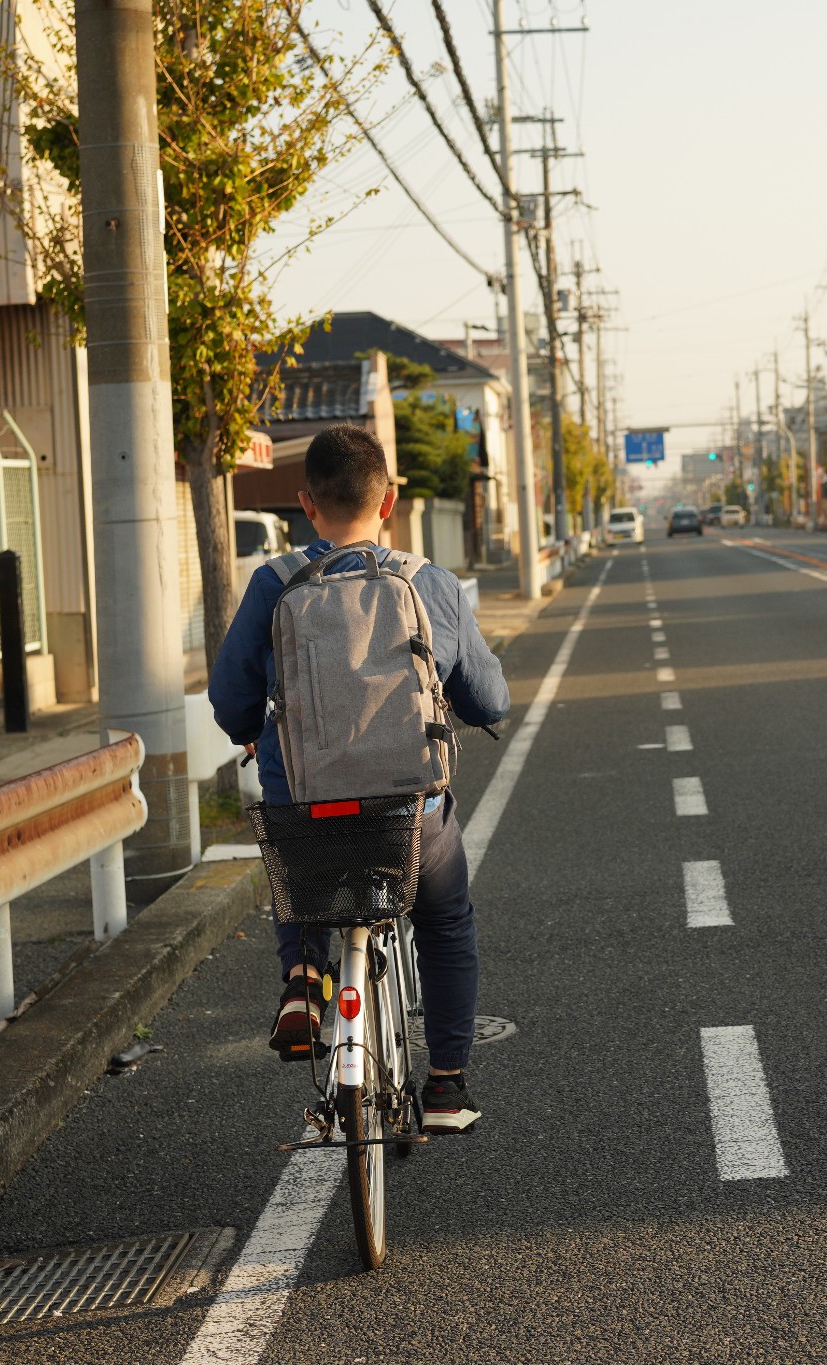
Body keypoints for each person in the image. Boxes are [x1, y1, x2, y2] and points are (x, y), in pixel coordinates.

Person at [211, 423, 509, 1132]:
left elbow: (230, 704)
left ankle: (302, 984)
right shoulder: (427, 582)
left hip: (309, 817)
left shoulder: (273, 585)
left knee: (299, 863)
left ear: (304, 504)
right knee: (444, 919)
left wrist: (253, 731)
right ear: (391, 499)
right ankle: (443, 1085)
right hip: (411, 818)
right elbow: (489, 699)